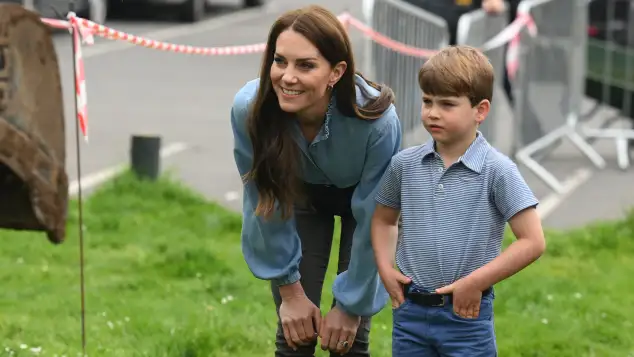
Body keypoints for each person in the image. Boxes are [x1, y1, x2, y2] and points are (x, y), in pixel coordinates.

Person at [230, 5, 402, 357]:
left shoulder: (378, 121)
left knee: (349, 341)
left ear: (336, 72)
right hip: (300, 197)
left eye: (305, 65)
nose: (287, 77)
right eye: (280, 61)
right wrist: (291, 292)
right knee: (294, 335)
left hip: (366, 208)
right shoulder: (251, 110)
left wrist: (350, 305)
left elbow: (378, 215)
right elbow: (264, 200)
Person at [371, 45, 546, 356]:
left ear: (480, 110)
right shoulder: (404, 164)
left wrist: (475, 283)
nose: (433, 112)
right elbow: (384, 219)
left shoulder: (498, 170)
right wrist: (385, 268)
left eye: (447, 104)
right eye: (427, 101)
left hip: (466, 315)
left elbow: (532, 241)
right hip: (410, 310)